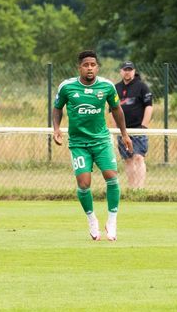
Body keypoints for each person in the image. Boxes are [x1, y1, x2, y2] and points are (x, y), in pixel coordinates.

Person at [53, 50, 132, 241]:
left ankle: (112, 221)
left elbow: (116, 109)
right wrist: (56, 129)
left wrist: (124, 134)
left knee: (111, 177)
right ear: (79, 67)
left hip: (101, 140)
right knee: (84, 184)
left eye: (93, 65)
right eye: (86, 65)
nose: (90, 68)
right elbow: (57, 108)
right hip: (78, 143)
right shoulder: (67, 87)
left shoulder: (106, 86)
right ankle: (92, 219)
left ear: (97, 67)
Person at [114, 61, 153, 188]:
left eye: (130, 70)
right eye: (125, 69)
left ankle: (139, 188)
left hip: (138, 129)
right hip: (122, 130)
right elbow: (112, 110)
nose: (127, 72)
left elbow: (149, 107)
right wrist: (117, 129)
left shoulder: (142, 87)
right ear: (121, 71)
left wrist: (144, 126)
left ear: (134, 71)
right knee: (128, 160)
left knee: (138, 157)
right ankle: (132, 189)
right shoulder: (116, 88)